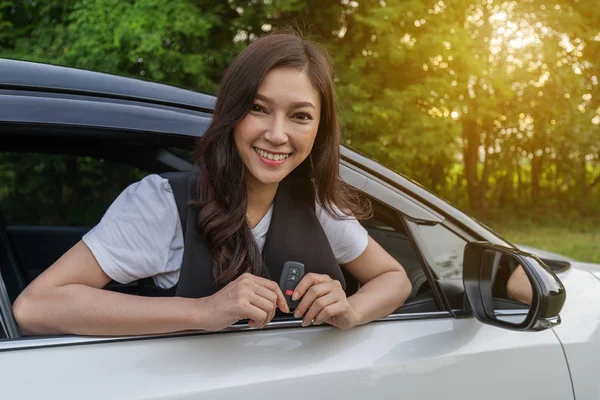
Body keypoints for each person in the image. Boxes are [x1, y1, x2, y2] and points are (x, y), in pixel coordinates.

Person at [13, 30, 412, 336]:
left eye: (300, 116)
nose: (277, 134)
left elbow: (393, 279)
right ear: (232, 112)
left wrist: (351, 310)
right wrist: (202, 311)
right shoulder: (163, 205)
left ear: (319, 130)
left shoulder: (319, 208)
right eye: (258, 108)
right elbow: (35, 307)